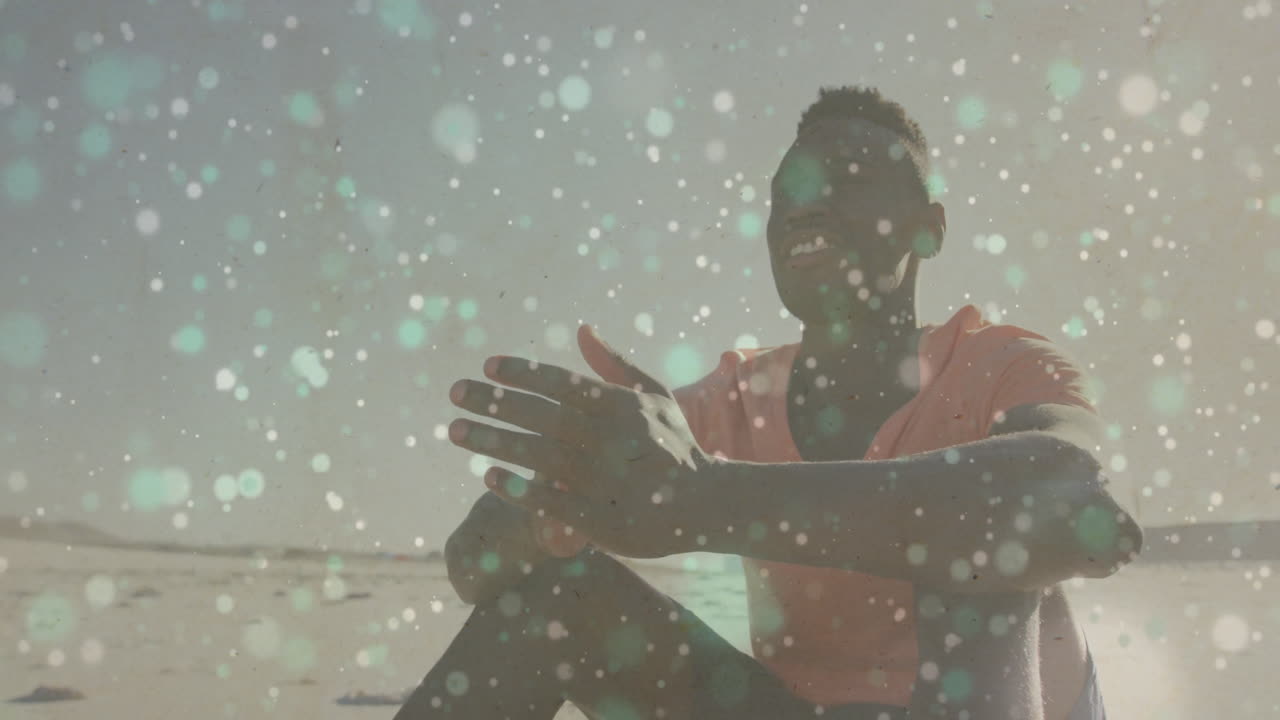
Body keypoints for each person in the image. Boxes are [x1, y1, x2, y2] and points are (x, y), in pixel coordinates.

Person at [395, 85, 1142, 719]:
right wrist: (561, 500)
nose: (808, 208)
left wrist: (700, 498)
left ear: (929, 228)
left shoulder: (1001, 366)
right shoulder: (736, 400)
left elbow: (1072, 509)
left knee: (977, 558)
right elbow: (475, 565)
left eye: (850, 178)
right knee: (555, 602)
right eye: (789, 192)